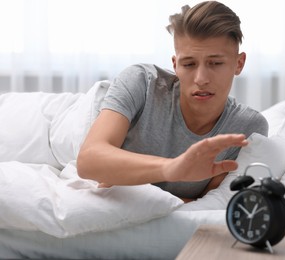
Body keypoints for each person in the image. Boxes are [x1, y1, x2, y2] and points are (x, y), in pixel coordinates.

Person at [76, 1, 268, 203]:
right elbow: (88, 161)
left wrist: (124, 183)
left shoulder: (249, 128)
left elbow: (205, 204)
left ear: (239, 64)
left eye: (216, 63)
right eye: (189, 64)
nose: (201, 78)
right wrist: (173, 168)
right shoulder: (142, 81)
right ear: (175, 65)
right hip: (83, 119)